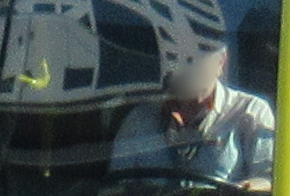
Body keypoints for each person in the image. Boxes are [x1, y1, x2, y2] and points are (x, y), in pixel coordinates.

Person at [110, 44, 274, 188]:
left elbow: (268, 179)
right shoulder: (141, 118)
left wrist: (239, 191)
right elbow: (117, 186)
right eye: (178, 55)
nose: (188, 63)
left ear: (221, 62)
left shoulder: (250, 111)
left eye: (199, 53)